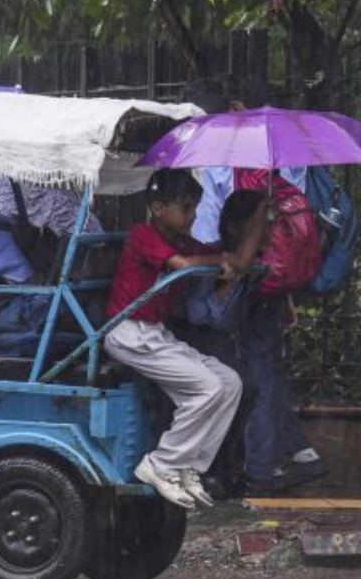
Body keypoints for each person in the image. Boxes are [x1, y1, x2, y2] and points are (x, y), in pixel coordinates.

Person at [186, 76, 325, 493]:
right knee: (262, 363)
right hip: (272, 271)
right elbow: (293, 224)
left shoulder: (217, 156)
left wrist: (213, 270)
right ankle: (296, 453)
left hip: (236, 270)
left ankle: (260, 471)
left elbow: (210, 220)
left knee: (249, 369)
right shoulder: (289, 154)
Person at [103, 168, 260, 508]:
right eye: (186, 208)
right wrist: (223, 262)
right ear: (159, 207)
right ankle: (161, 464)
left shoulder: (181, 239)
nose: (192, 216)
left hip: (154, 334)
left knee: (230, 383)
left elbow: (209, 253)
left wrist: (247, 242)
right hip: (129, 332)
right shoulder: (142, 234)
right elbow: (182, 263)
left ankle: (189, 466)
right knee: (208, 388)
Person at [173, 188, 270, 499]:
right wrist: (229, 282)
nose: (266, 231)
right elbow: (201, 315)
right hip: (192, 339)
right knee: (233, 386)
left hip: (222, 344)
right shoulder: (213, 260)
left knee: (249, 386)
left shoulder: (255, 264)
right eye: (259, 224)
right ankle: (209, 470)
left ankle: (227, 468)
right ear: (234, 228)